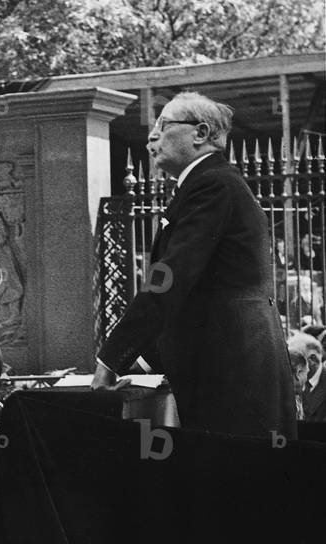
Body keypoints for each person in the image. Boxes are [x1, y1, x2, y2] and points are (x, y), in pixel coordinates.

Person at [92, 91, 296, 439]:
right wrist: (142, 362)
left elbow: (168, 280)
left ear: (200, 133)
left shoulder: (211, 186)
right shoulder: (212, 184)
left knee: (235, 486)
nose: (152, 136)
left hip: (232, 378)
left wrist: (110, 360)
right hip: (235, 372)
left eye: (163, 125)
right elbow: (199, 295)